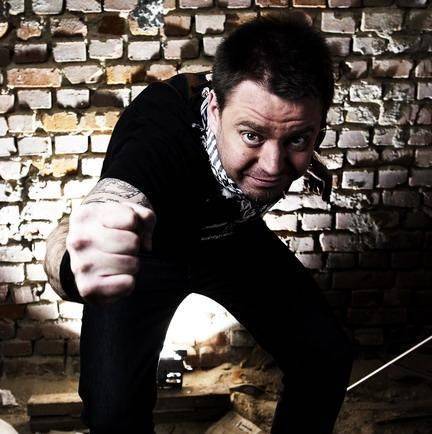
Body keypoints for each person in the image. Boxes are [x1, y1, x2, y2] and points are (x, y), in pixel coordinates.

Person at [44, 14, 355, 434]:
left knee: (325, 356)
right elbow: (115, 196)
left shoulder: (278, 130)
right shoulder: (160, 129)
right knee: (113, 413)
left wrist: (299, 152)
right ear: (213, 108)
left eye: (297, 138)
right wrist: (75, 258)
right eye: (251, 136)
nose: (272, 165)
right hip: (149, 253)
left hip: (231, 243)